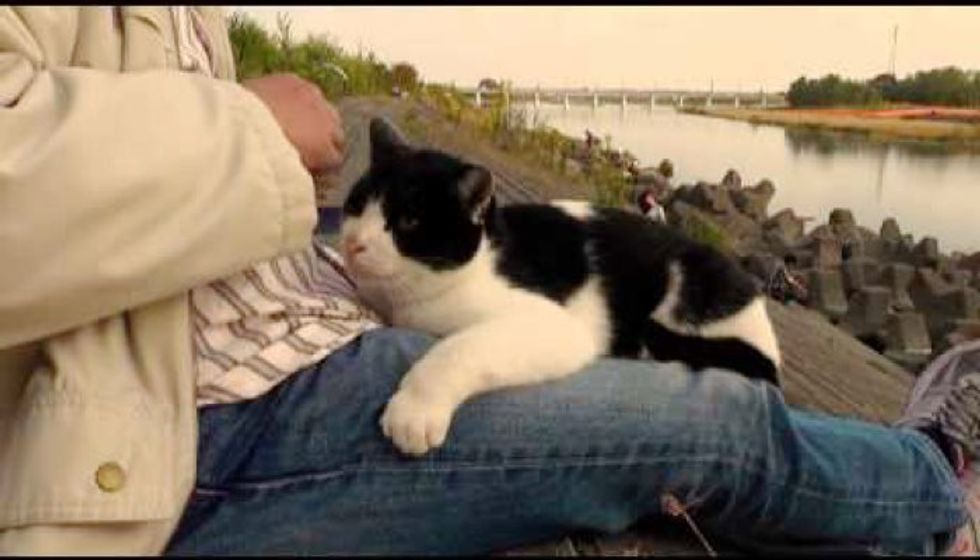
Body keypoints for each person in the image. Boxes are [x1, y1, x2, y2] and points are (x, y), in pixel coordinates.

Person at [1, 7, 979, 556]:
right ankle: (935, 480)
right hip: (194, 426)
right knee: (710, 419)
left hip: (287, 328)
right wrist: (247, 133)